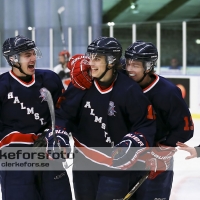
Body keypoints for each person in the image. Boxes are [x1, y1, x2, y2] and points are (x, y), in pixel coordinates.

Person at [44, 36, 157, 200]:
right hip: (83, 163)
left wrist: (132, 142)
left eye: (97, 59)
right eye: (90, 57)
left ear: (111, 61)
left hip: (116, 166)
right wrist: (59, 135)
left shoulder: (129, 90)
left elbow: (145, 124)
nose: (90, 63)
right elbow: (64, 115)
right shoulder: (81, 85)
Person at [0, 35, 72, 200]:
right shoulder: (2, 86)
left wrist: (58, 135)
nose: (33, 58)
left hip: (48, 153)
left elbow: (63, 112)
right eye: (27, 55)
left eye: (33, 53)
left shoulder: (50, 80)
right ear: (13, 59)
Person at [123, 40, 194, 200]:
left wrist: (163, 149)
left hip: (156, 159)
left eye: (135, 65)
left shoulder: (168, 92)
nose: (129, 69)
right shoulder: (125, 85)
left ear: (148, 66)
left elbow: (186, 128)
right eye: (128, 64)